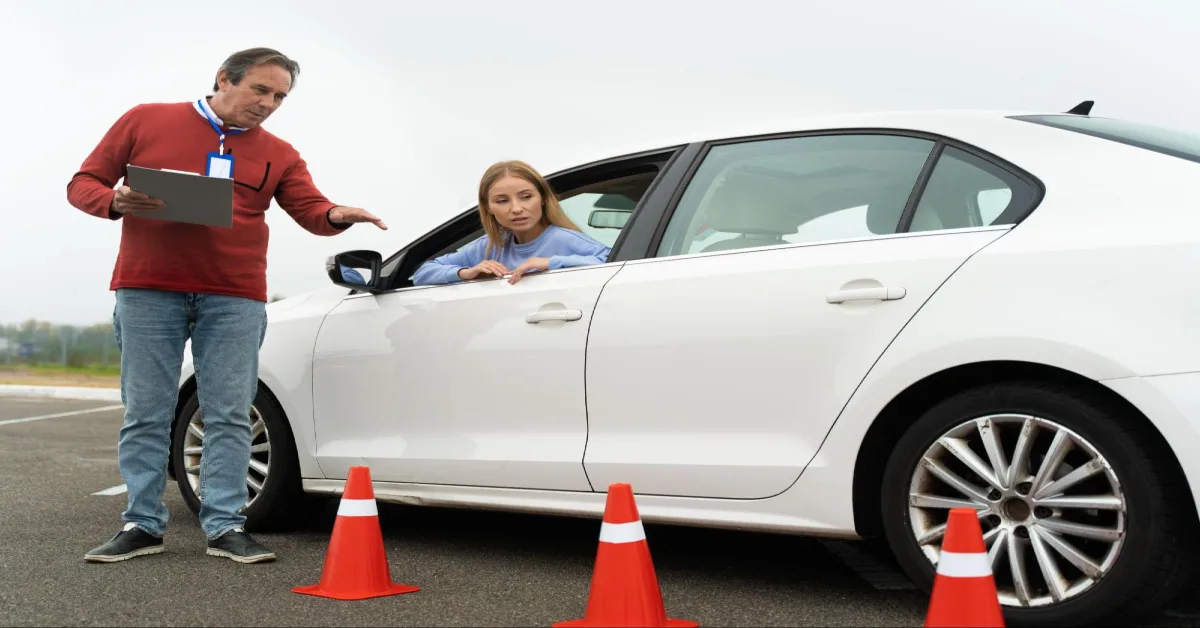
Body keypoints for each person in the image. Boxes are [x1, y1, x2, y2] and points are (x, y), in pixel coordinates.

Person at [67, 47, 386, 565]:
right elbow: (83, 183)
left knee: (231, 413)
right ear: (224, 79)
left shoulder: (279, 151)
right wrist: (115, 200)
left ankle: (225, 526)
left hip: (234, 296)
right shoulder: (146, 119)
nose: (269, 103)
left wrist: (336, 214)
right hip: (149, 289)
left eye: (280, 96)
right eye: (260, 90)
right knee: (147, 411)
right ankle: (142, 524)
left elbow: (308, 208)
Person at [412, 160, 611, 286]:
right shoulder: (490, 245)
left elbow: (615, 262)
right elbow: (422, 274)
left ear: (542, 198)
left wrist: (550, 263)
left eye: (525, 197)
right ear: (488, 207)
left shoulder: (565, 239)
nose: (516, 208)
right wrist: (467, 273)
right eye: (502, 201)